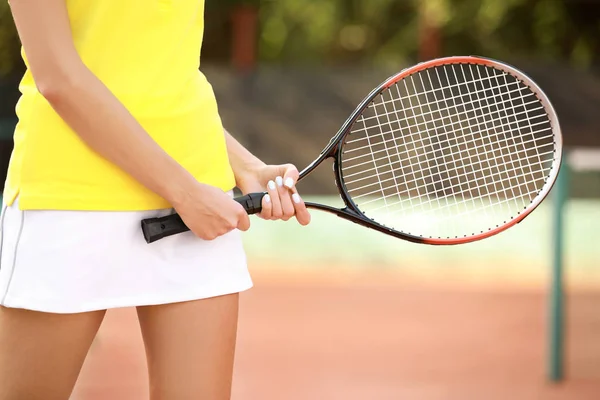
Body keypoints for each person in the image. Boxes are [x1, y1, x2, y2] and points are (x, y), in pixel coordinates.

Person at [0, 1, 311, 399]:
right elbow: (59, 77)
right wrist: (183, 191)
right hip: (71, 197)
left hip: (196, 191)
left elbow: (164, 68)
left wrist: (243, 164)